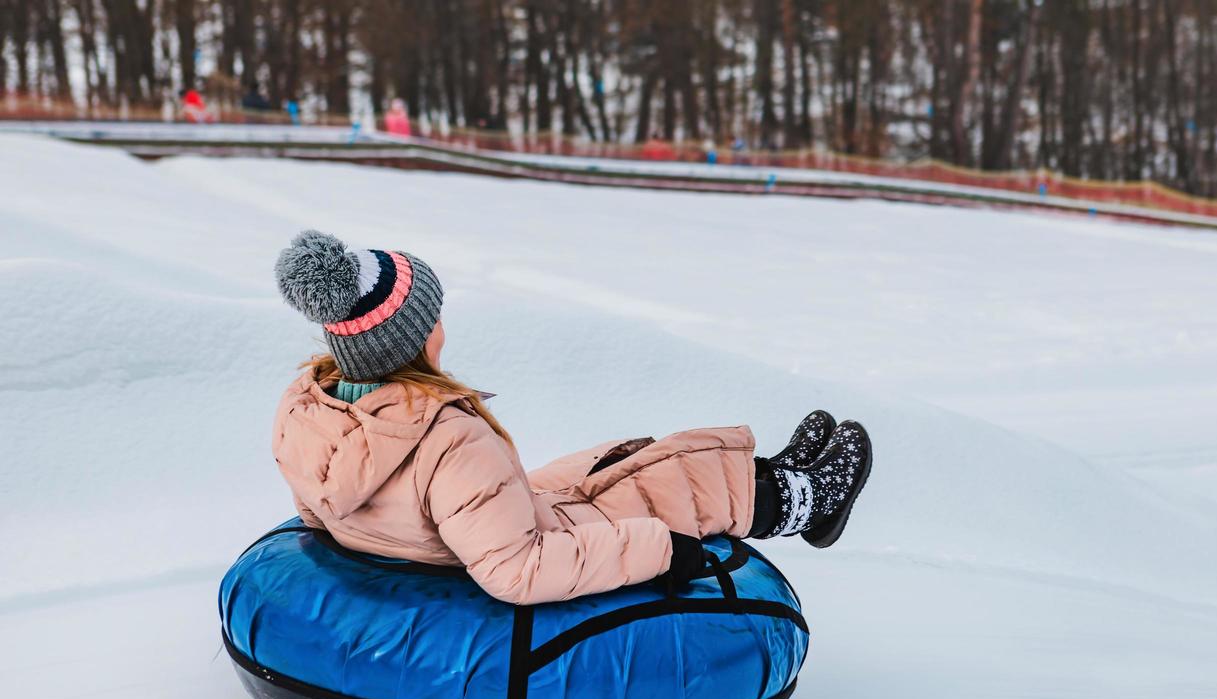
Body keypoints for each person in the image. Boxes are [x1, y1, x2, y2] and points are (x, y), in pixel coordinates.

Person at [271, 230, 872, 605]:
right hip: (503, 545)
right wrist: (665, 551)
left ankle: (775, 471)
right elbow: (518, 572)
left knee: (609, 460)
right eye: (435, 319)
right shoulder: (447, 438)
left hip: (451, 530)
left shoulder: (310, 411)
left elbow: (321, 513)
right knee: (657, 495)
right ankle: (801, 502)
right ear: (418, 340)